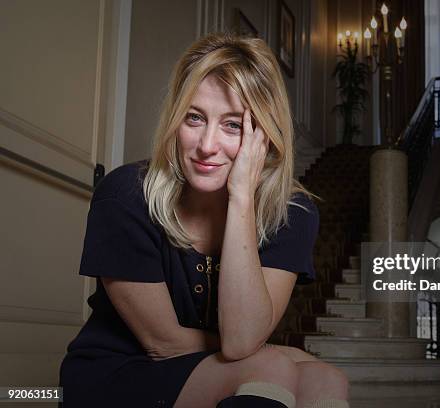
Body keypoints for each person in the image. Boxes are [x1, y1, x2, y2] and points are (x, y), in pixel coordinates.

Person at [58, 33, 349, 408]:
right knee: (272, 369)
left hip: (212, 368)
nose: (207, 145)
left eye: (232, 125)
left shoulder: (292, 213)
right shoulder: (125, 197)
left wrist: (241, 198)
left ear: (265, 136)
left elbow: (241, 339)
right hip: (115, 376)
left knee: (327, 381)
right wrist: (275, 353)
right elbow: (165, 345)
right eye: (194, 118)